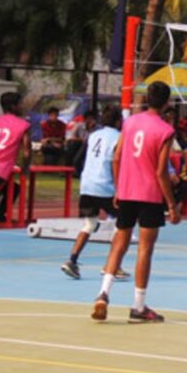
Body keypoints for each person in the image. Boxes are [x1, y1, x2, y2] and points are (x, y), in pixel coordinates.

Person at [91, 81, 180, 323]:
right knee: (144, 249)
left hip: (127, 191)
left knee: (119, 243)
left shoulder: (129, 123)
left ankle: (103, 293)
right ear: (166, 103)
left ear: (146, 98)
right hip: (150, 194)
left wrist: (119, 188)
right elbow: (161, 171)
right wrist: (171, 204)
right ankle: (138, 306)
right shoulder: (165, 130)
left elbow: (117, 157)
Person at [61, 106, 131, 281]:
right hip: (106, 186)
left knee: (90, 225)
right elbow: (117, 162)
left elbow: (78, 159)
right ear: (117, 121)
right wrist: (119, 187)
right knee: (122, 225)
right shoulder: (119, 138)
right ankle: (112, 265)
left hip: (87, 186)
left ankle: (72, 260)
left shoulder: (93, 136)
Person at [0, 92, 32, 223]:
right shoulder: (23, 124)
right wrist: (25, 169)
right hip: (0, 170)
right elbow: (27, 151)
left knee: (13, 187)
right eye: (20, 104)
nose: (22, 107)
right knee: (8, 186)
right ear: (13, 106)